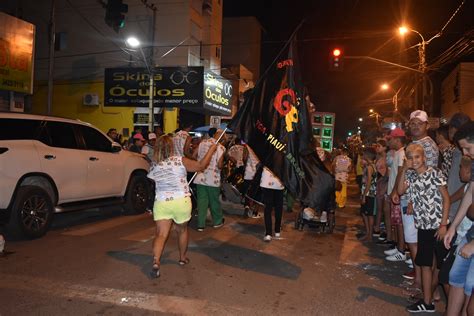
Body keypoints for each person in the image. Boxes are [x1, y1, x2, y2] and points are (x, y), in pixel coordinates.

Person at [147, 135, 218, 278]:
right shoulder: (180, 161)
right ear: (171, 147)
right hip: (181, 201)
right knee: (182, 230)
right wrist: (211, 149)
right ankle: (182, 258)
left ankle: (156, 261)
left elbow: (153, 181)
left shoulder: (155, 165)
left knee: (161, 234)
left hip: (162, 202)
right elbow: (201, 166)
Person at [398, 143, 450, 313]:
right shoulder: (412, 176)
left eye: (417, 157)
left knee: (443, 268)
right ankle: (427, 302)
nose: (414, 160)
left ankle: (455, 305)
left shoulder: (435, 173)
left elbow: (446, 199)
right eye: (410, 158)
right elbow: (400, 191)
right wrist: (405, 170)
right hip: (423, 228)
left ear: (424, 157)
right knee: (426, 265)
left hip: (439, 226)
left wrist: (443, 225)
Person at [444, 121, 474, 315]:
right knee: (455, 279)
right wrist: (453, 227)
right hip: (469, 234)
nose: (465, 154)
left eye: (468, 148)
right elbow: (470, 193)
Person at [194, 128, 226, 231]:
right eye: (224, 135)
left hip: (200, 176)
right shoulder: (220, 147)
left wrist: (200, 162)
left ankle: (200, 225)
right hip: (213, 179)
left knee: (202, 202)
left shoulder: (202, 143)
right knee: (214, 201)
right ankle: (217, 222)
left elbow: (194, 155)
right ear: (220, 135)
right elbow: (220, 165)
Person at [261, 166, 284, 242]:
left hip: (277, 181)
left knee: (276, 208)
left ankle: (275, 230)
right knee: (269, 208)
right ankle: (270, 232)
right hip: (269, 181)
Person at [359, 147, 377, 242]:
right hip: (367, 193)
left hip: (370, 194)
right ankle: (368, 233)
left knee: (369, 215)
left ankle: (369, 235)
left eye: (364, 154)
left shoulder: (370, 167)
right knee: (365, 213)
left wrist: (364, 195)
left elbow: (369, 182)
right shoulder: (371, 166)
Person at [374, 139, 389, 237]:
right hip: (379, 183)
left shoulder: (387, 158)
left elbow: (387, 174)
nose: (377, 148)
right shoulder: (379, 157)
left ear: (385, 147)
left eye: (379, 146)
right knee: (379, 208)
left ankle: (379, 228)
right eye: (377, 146)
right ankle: (377, 227)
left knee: (383, 208)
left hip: (383, 184)